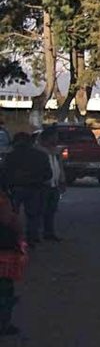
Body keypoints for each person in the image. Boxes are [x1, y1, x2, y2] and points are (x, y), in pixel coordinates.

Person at [0, 132, 51, 245]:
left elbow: (4, 174)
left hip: (15, 189)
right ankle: (31, 238)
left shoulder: (11, 156)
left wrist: (5, 188)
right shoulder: (41, 155)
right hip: (35, 188)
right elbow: (48, 174)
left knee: (10, 215)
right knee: (33, 215)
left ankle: (10, 238)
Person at [0, 187, 26, 336]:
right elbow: (8, 220)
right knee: (5, 289)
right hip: (4, 250)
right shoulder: (3, 201)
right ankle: (4, 323)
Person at [36, 128, 66, 241]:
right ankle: (37, 234)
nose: (57, 139)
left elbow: (60, 166)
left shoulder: (56, 152)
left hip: (54, 184)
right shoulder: (40, 151)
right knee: (40, 210)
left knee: (51, 210)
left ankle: (49, 233)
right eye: (55, 136)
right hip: (44, 185)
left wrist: (62, 179)